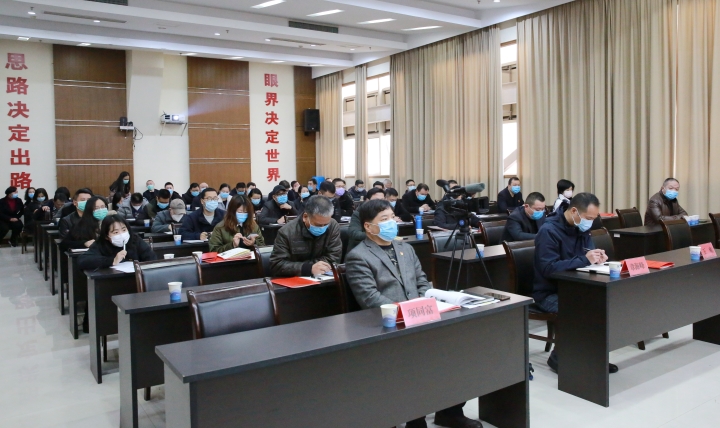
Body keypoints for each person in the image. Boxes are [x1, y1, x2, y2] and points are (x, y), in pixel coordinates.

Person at [345, 199, 482, 428]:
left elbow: (421, 282)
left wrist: (424, 304)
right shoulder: (358, 256)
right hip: (388, 325)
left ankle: (450, 411)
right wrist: (407, 313)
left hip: (418, 317)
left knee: (456, 350)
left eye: (392, 217)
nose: (391, 222)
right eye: (384, 219)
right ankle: (414, 418)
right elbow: (370, 298)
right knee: (413, 361)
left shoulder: (405, 248)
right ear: (368, 226)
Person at [533, 192, 615, 374]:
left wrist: (597, 257)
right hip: (549, 292)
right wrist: (585, 259)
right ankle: (559, 357)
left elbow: (587, 253)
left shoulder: (581, 228)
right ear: (574, 211)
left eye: (593, 219)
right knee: (580, 308)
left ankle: (595, 357)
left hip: (576, 286)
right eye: (588, 218)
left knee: (603, 303)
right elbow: (548, 268)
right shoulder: (548, 231)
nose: (590, 223)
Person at [269, 195, 342, 277]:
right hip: (296, 279)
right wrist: (308, 268)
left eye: (326, 224)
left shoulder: (333, 226)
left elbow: (334, 257)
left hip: (323, 276)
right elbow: (277, 264)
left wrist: (317, 267)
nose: (322, 228)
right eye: (318, 225)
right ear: (305, 217)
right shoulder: (286, 232)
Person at [78, 214, 156, 270]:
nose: (121, 234)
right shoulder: (101, 244)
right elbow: (83, 261)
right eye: (116, 232)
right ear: (106, 236)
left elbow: (151, 259)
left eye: (124, 230)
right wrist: (112, 261)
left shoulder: (135, 239)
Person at [347, 187, 388, 254]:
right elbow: (354, 233)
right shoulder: (359, 214)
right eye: (376, 200)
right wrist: (377, 234)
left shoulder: (386, 214)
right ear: (367, 200)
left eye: (382, 200)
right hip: (361, 250)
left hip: (382, 247)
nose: (380, 203)